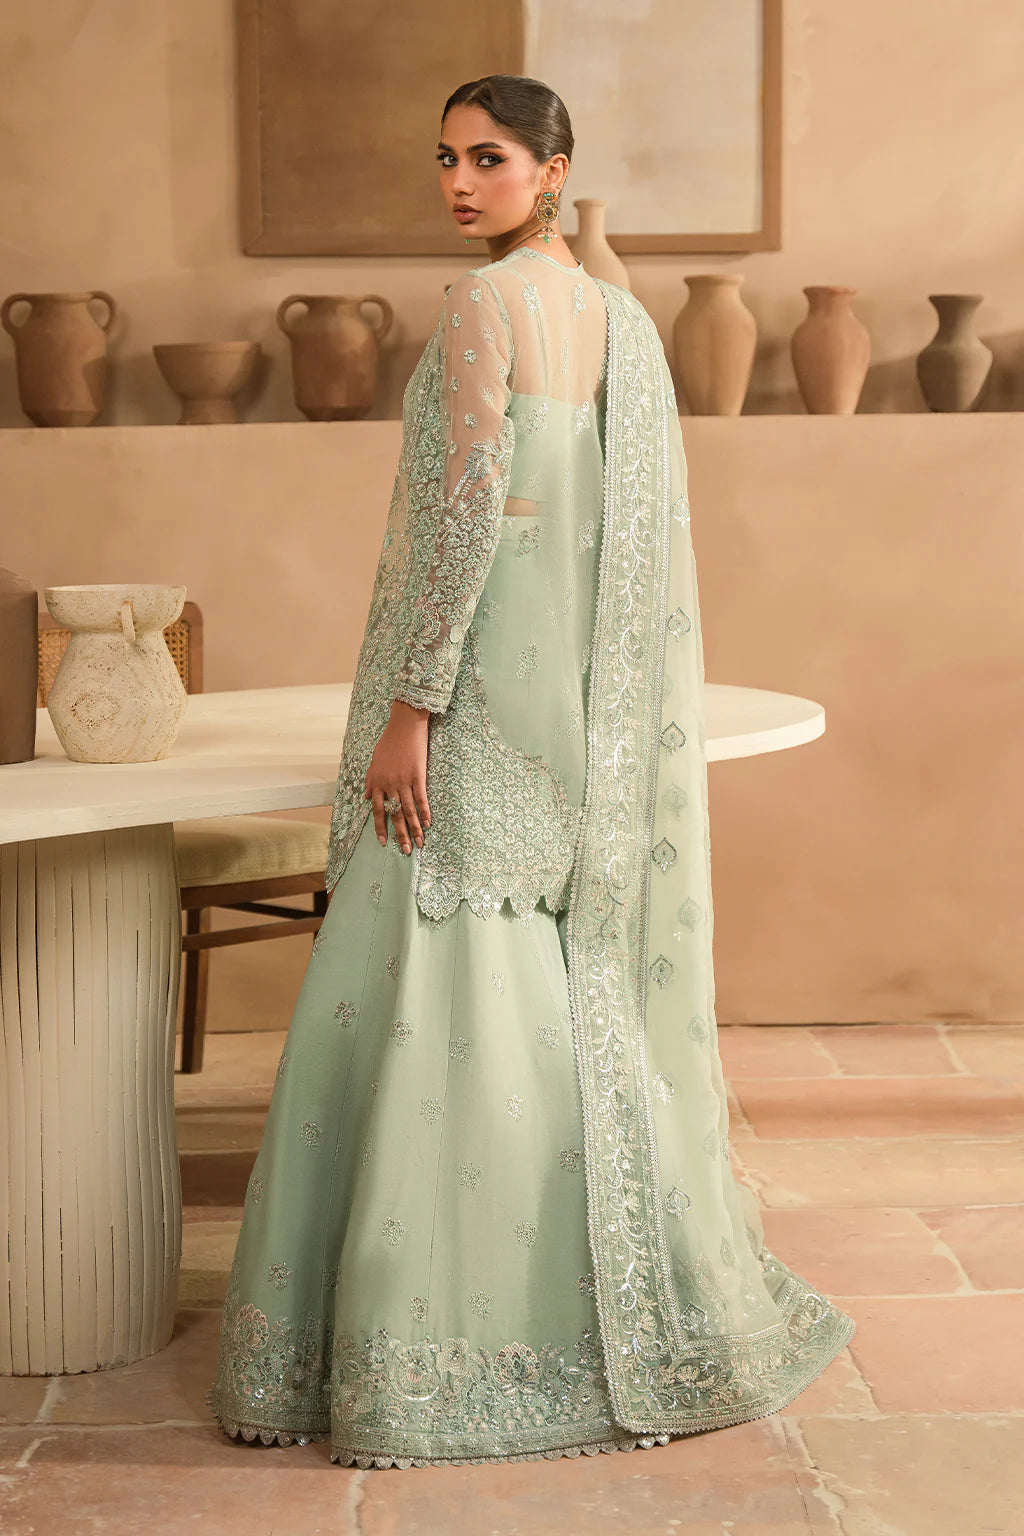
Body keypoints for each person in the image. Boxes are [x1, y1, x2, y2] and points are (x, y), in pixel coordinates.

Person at [206, 74, 855, 1470]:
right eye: (445, 157)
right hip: (575, 706)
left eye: (488, 158)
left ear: (553, 171)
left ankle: (432, 1337)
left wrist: (412, 707)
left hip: (481, 694)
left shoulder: (482, 306)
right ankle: (595, 1298)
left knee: (443, 971)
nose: (459, 181)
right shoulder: (620, 320)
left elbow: (469, 515)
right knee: (541, 979)